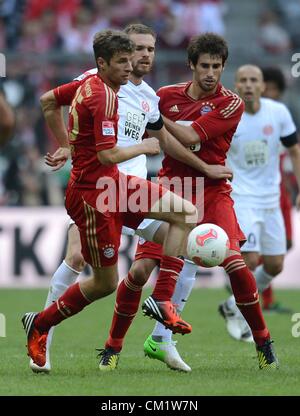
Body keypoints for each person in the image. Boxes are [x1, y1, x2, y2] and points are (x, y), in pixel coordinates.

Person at [28, 24, 232, 374]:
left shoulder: (146, 96)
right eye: (134, 50)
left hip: (124, 185)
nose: (142, 56)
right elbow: (52, 104)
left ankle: (163, 304)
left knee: (184, 216)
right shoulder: (97, 87)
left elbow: (165, 140)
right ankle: (42, 327)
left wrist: (206, 168)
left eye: (149, 49)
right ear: (108, 60)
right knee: (101, 279)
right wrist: (66, 144)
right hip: (97, 194)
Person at [106, 34, 278, 370]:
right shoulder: (166, 95)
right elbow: (135, 131)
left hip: (212, 191)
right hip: (170, 187)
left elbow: (189, 136)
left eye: (216, 66)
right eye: (204, 66)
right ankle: (112, 349)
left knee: (235, 264)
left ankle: (263, 341)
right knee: (140, 271)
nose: (211, 73)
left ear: (223, 67)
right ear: (192, 66)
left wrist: (153, 114)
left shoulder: (230, 103)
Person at [218, 65, 300, 342]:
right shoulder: (228, 115)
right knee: (250, 259)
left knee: (275, 264)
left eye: (254, 80)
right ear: (236, 85)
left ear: (263, 86)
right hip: (242, 197)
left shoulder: (278, 113)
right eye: (244, 81)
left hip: (272, 200)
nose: (249, 85)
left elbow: (294, 150)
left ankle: (232, 305)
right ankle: (242, 315)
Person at [261, 66, 296, 313]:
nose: (270, 92)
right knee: (262, 249)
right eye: (267, 87)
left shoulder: (282, 115)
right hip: (256, 192)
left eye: (274, 88)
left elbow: (293, 150)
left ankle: (251, 287)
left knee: (286, 243)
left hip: (280, 189)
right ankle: (266, 299)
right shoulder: (248, 116)